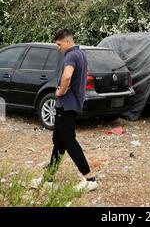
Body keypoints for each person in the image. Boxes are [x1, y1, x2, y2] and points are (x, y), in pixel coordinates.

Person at [32, 29, 98, 192]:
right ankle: (48, 179)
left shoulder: (71, 56)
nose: (58, 48)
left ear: (67, 42)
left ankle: (89, 178)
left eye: (59, 44)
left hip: (66, 105)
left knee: (68, 140)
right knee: (59, 141)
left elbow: (67, 76)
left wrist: (60, 92)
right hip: (70, 105)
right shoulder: (80, 54)